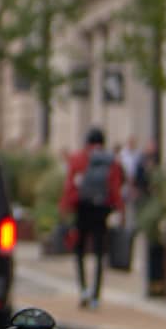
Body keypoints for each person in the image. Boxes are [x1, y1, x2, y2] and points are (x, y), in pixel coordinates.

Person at [61, 127, 124, 309]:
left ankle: (83, 289)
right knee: (99, 253)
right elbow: (115, 188)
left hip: (82, 209)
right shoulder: (110, 161)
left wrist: (66, 209)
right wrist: (119, 209)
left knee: (79, 252)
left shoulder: (77, 159)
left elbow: (70, 187)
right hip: (101, 210)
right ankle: (96, 294)